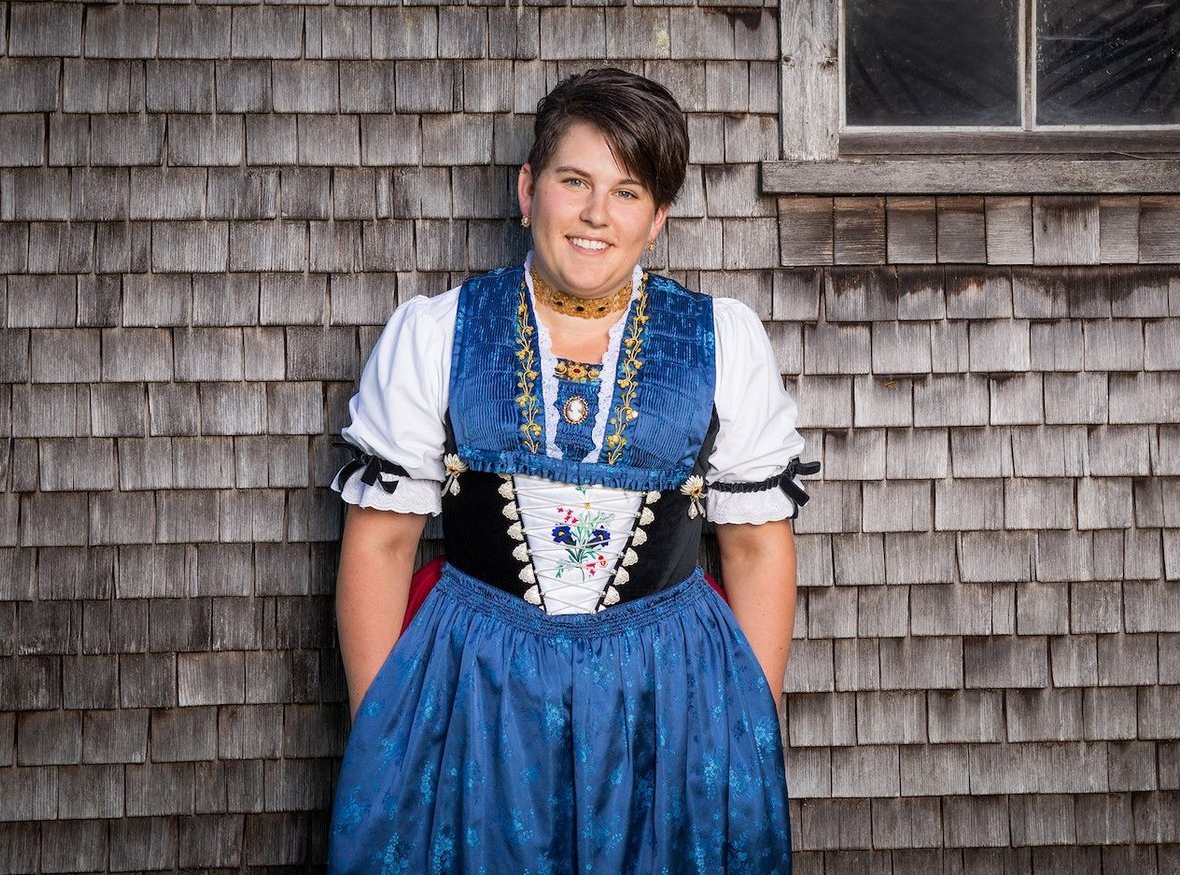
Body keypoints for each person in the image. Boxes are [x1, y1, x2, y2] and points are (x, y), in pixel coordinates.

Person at [328, 67, 816, 874]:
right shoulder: (437, 334)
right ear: (528, 191)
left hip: (670, 693)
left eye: (627, 192)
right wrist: (385, 731)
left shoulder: (722, 341)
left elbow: (758, 548)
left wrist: (743, 728)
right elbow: (380, 545)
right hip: (477, 690)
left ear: (657, 218)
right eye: (575, 181)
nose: (596, 213)